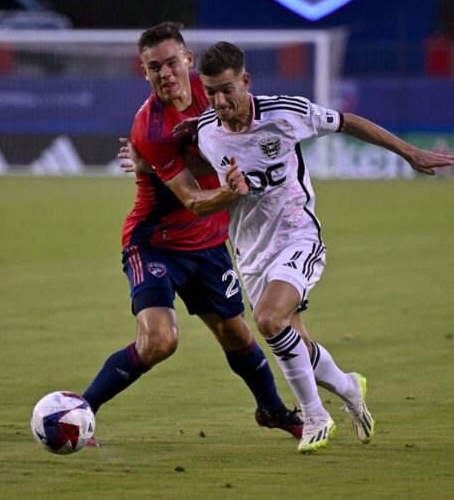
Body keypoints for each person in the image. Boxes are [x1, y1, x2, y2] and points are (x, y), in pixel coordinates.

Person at [189, 41, 454, 452]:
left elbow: (347, 121)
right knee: (293, 339)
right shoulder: (206, 132)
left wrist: (408, 153)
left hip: (298, 235)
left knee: (267, 320)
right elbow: (188, 167)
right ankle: (349, 387)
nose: (220, 100)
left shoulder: (284, 113)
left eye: (227, 89)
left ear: (245, 81)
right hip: (251, 252)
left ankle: (314, 415)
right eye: (211, 92)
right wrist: (146, 161)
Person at [81, 23, 303, 441]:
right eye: (153, 67)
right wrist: (232, 188)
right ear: (144, 72)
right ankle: (80, 411)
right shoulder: (149, 128)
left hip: (209, 242)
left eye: (170, 62)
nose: (164, 73)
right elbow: (194, 200)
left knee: (237, 335)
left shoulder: (215, 93)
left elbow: (252, 134)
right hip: (156, 244)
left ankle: (271, 410)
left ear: (187, 61)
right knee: (160, 341)